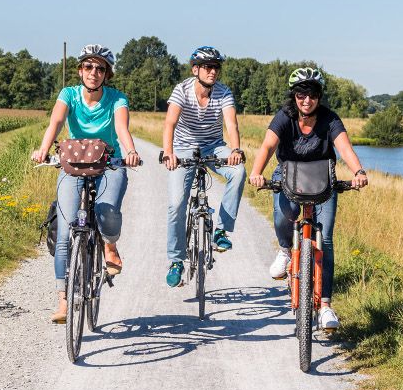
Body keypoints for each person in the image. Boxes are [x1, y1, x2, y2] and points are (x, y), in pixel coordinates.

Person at [248, 67, 368, 330]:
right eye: (301, 94)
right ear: (294, 96)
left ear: (319, 96)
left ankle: (325, 306)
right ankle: (284, 250)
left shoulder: (329, 118)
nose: (306, 100)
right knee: (283, 216)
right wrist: (256, 172)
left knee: (324, 238)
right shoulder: (284, 117)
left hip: (322, 176)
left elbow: (344, 147)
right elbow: (268, 146)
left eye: (312, 94)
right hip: (288, 171)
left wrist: (358, 171)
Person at [30, 44, 142, 323]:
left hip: (109, 163)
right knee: (67, 231)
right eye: (89, 66)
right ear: (80, 70)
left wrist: (129, 152)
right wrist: (43, 149)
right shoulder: (68, 94)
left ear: (107, 74)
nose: (94, 72)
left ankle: (109, 244)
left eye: (100, 68)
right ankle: (63, 301)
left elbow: (120, 129)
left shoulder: (117, 99)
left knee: (107, 212)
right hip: (72, 164)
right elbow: (56, 122)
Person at [161, 46, 245, 287]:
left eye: (216, 67)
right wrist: (169, 153)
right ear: (195, 69)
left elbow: (231, 123)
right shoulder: (182, 90)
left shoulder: (223, 92)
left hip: (214, 146)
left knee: (238, 172)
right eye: (208, 67)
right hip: (184, 149)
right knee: (177, 202)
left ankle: (220, 231)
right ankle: (176, 260)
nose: (213, 72)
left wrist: (236, 150)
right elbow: (170, 123)